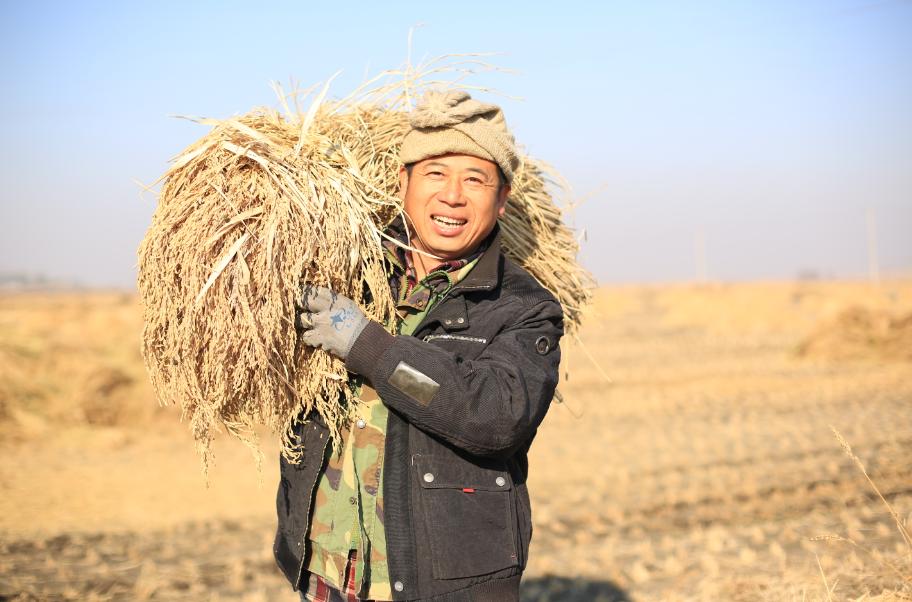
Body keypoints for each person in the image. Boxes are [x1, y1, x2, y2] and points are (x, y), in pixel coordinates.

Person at [273, 89, 564, 602]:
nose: (453, 196)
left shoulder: (522, 307)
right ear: (402, 182)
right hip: (327, 572)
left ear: (502, 199)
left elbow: (495, 415)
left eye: (475, 180)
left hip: (439, 585)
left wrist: (369, 347)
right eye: (435, 174)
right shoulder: (348, 276)